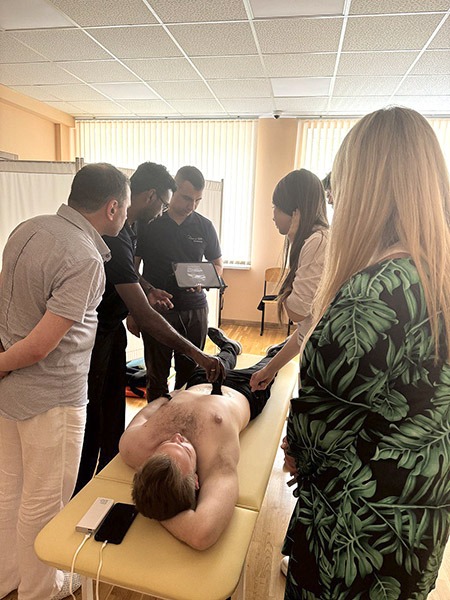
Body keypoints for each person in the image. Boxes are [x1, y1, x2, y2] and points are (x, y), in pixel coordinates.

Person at [282, 106, 450, 600]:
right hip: (417, 514)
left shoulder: (375, 294)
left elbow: (314, 435)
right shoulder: (437, 277)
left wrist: (297, 450)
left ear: (365, 189)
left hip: (357, 528)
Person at [0, 163, 130, 600]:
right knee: (44, 502)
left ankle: (8, 579)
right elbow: (41, 346)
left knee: (8, 494)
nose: (125, 215)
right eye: (125, 208)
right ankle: (40, 590)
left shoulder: (28, 228)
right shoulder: (84, 257)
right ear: (112, 208)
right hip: (52, 399)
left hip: (10, 393)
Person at [74, 162, 224, 495]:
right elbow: (136, 292)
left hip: (128, 326)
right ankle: (84, 487)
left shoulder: (130, 228)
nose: (187, 206)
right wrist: (197, 352)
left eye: (196, 201)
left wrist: (148, 289)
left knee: (114, 405)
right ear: (153, 197)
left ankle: (111, 468)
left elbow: (129, 275)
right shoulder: (123, 233)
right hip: (97, 333)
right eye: (178, 199)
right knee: (97, 411)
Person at [119, 328, 281, 550]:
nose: (177, 437)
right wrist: (158, 507)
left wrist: (167, 397)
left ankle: (230, 348)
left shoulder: (132, 447)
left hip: (196, 383)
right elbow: (200, 535)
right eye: (185, 449)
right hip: (245, 390)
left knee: (219, 361)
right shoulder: (216, 465)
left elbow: (145, 414)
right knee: (268, 366)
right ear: (196, 480)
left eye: (167, 444)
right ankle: (277, 350)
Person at [135, 165, 223, 400]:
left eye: (197, 200)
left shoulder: (204, 226)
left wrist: (202, 280)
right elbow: (131, 270)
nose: (191, 206)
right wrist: (135, 310)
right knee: (157, 378)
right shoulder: (149, 222)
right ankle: (155, 421)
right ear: (172, 190)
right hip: (157, 311)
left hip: (195, 310)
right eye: (186, 198)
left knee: (191, 378)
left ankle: (183, 421)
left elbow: (217, 264)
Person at [250, 169, 329, 393]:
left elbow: (297, 313)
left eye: (276, 207)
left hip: (322, 364)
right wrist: (269, 370)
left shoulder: (317, 242)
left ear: (295, 211)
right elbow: (305, 329)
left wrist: (294, 241)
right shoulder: (319, 239)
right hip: (314, 355)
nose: (273, 216)